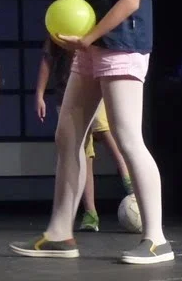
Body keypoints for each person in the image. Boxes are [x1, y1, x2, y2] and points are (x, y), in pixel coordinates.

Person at [10, 0, 172, 264]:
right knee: (68, 137)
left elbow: (131, 0)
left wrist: (90, 38)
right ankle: (60, 233)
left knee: (128, 138)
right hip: (94, 47)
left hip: (123, 45)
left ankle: (156, 238)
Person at [35, 38, 133, 233]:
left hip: (94, 89)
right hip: (66, 94)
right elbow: (47, 60)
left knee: (108, 132)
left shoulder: (90, 23)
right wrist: (39, 94)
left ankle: (132, 186)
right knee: (82, 151)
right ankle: (90, 213)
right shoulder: (55, 32)